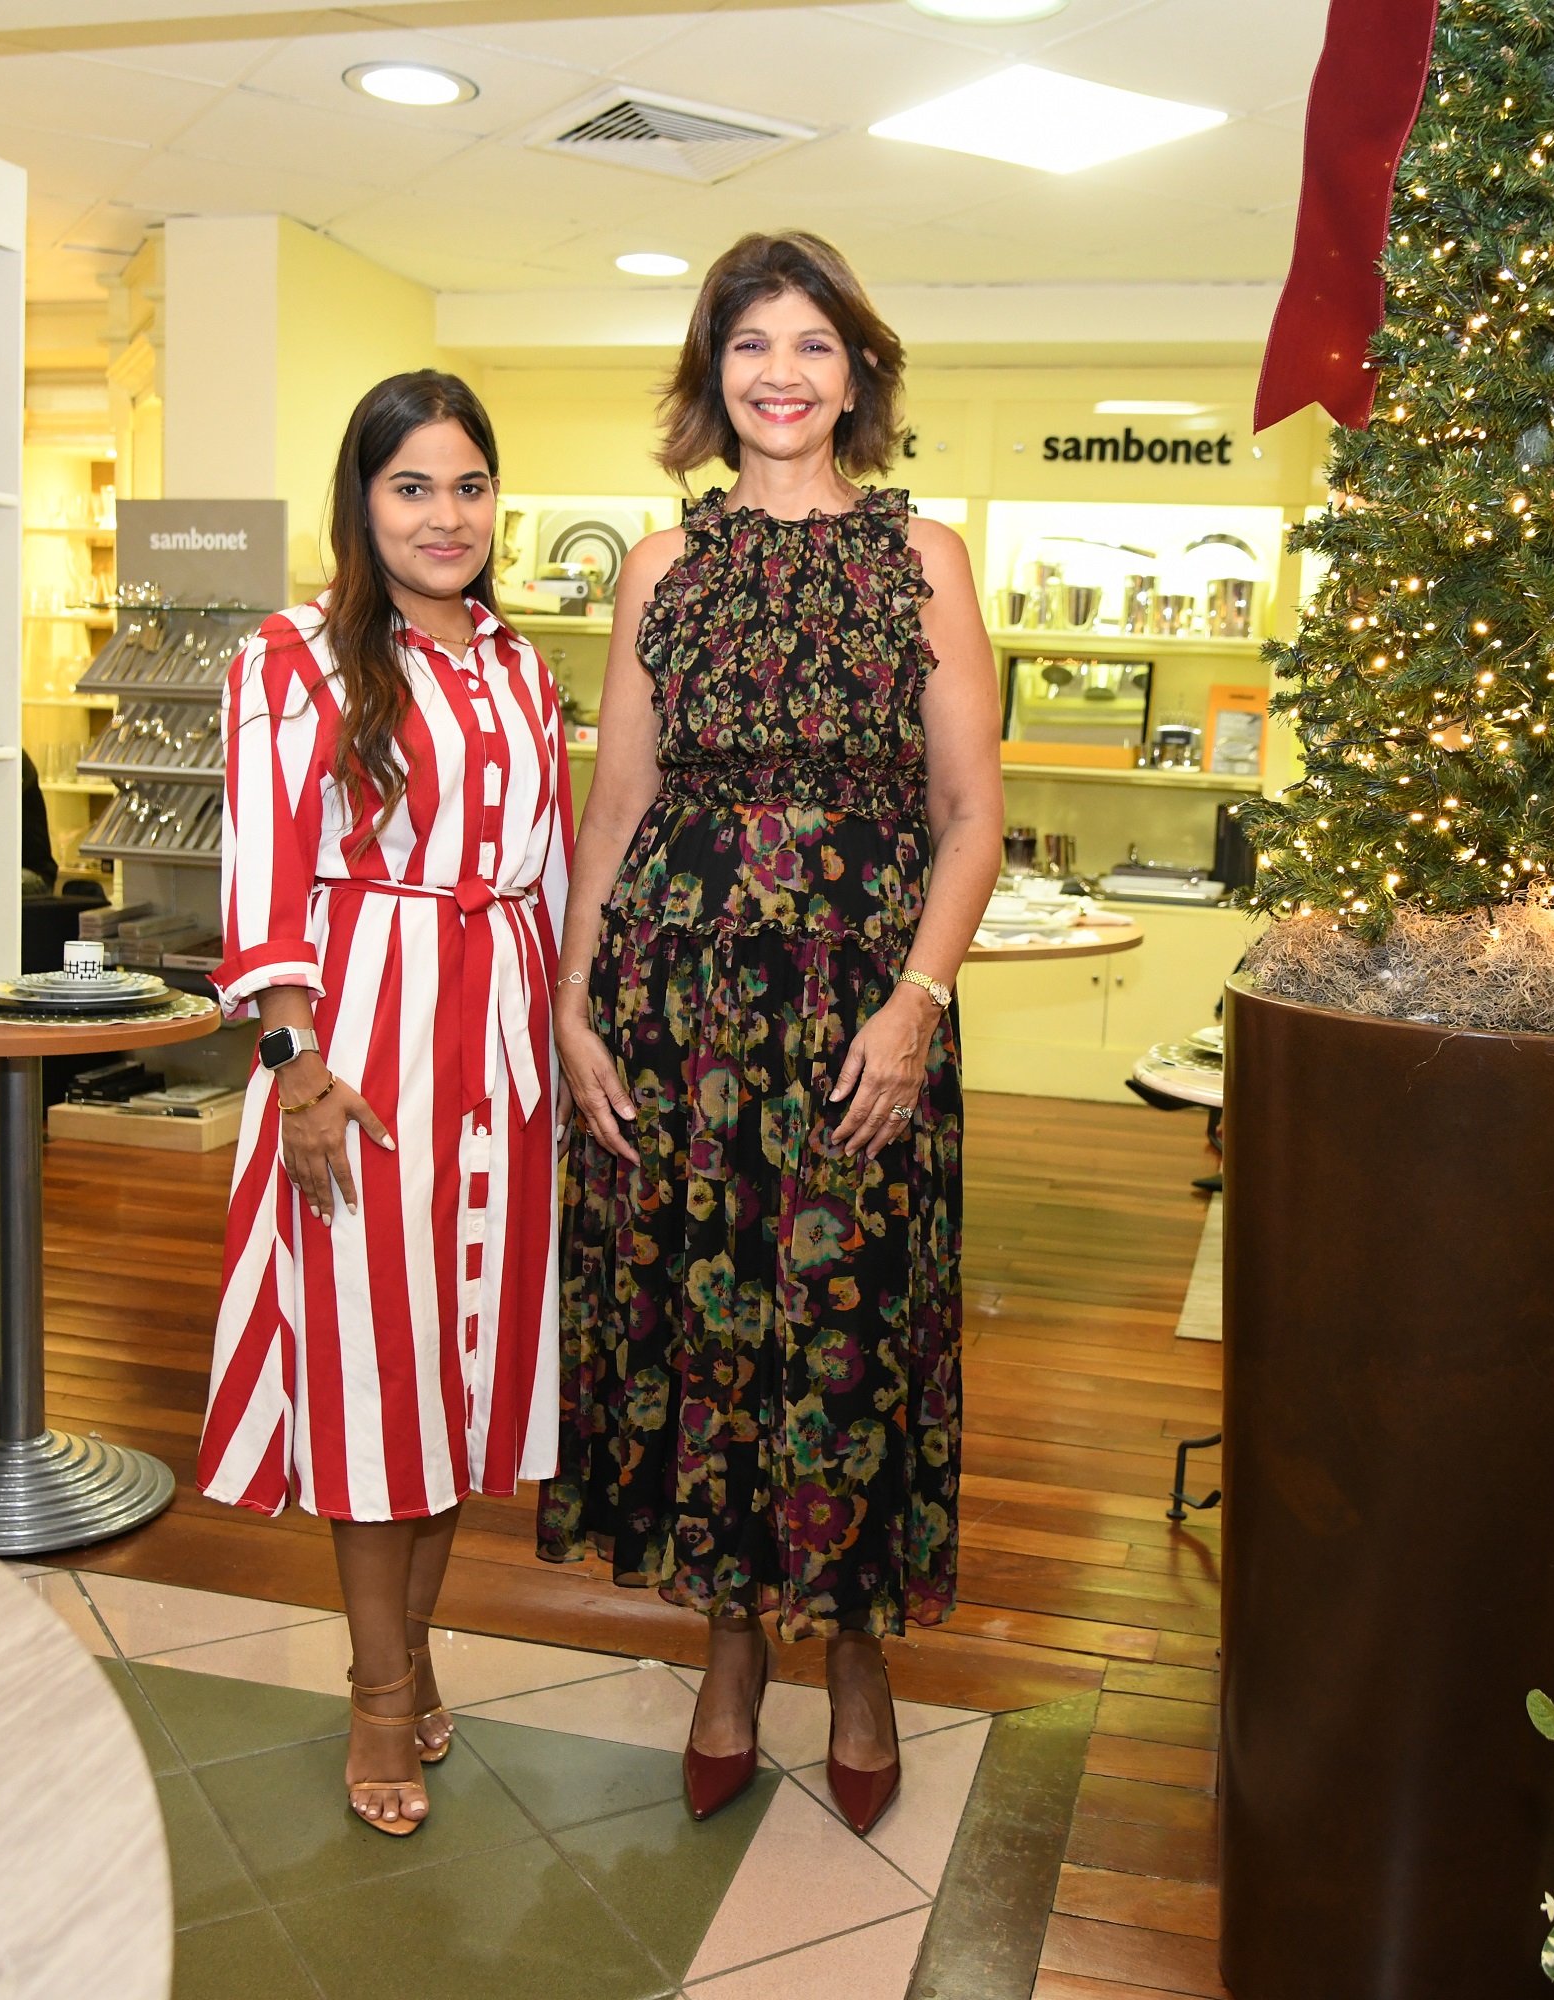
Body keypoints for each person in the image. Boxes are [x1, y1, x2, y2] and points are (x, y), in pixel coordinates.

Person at [540, 232, 1002, 1835]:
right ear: (712, 373)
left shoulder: (922, 556)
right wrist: (573, 1004)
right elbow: (615, 807)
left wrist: (915, 1003)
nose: (781, 374)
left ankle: (857, 1657)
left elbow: (968, 816)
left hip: (862, 1016)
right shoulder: (659, 569)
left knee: (854, 1332)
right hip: (676, 1016)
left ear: (857, 373)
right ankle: (730, 1648)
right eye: (750, 345)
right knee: (704, 1327)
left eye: (811, 343)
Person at [199, 370, 571, 1835]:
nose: (445, 516)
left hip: (504, 1053)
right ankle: (373, 1692)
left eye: (469, 486)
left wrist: (566, 1039)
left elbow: (548, 865)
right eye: (412, 486)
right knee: (374, 1372)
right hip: (361, 1054)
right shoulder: (291, 654)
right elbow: (263, 872)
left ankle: (411, 1654)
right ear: (362, 502)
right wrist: (293, 1067)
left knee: (460, 1367)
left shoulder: (521, 664)